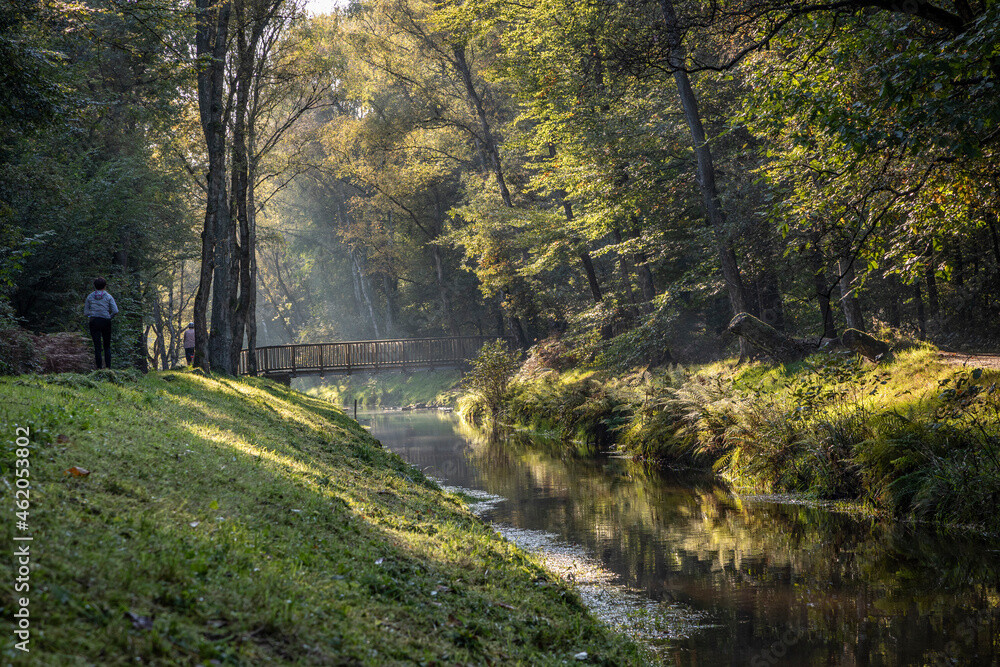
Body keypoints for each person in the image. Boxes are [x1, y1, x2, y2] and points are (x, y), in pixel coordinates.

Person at [83, 277, 118, 369]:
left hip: (94, 321)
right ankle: (108, 368)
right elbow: (115, 311)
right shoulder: (108, 296)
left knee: (97, 346)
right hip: (106, 321)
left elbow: (86, 313)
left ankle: (99, 368)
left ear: (94, 286)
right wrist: (109, 317)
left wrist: (93, 314)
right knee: (107, 346)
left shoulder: (90, 296)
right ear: (105, 286)